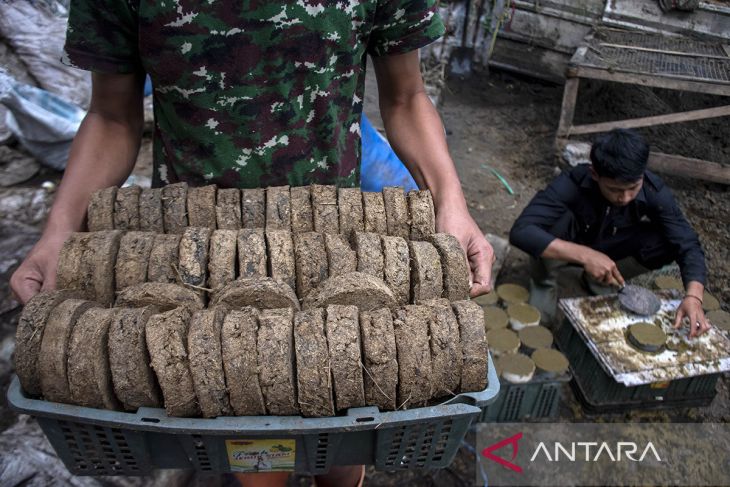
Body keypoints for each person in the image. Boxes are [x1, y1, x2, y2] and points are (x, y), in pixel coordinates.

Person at [10, 1, 495, 486]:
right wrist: (60, 231)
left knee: (344, 419)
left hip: (338, 246)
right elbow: (113, 117)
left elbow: (407, 97)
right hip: (193, 260)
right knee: (251, 435)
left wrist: (451, 202)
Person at [509, 128, 709, 338]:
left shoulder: (654, 192)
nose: (625, 198)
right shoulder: (572, 182)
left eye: (633, 187)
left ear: (641, 175)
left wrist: (694, 297)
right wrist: (587, 256)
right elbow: (521, 231)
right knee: (545, 225)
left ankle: (600, 279)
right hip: (571, 241)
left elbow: (688, 244)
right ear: (595, 173)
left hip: (609, 243)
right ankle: (544, 281)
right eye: (614, 189)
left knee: (666, 241)